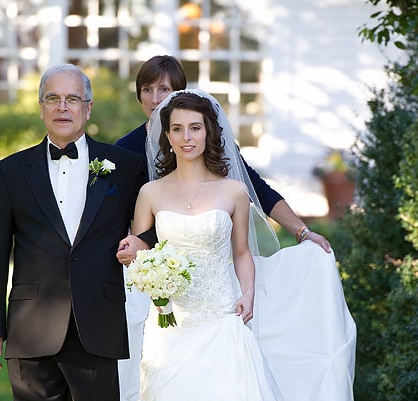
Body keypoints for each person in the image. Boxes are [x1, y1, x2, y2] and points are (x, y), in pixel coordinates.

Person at [97, 90, 356, 401]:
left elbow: (241, 253)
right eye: (176, 129)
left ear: (209, 132)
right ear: (166, 136)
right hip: (172, 324)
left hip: (222, 316)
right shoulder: (150, 192)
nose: (185, 137)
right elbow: (142, 243)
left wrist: (249, 293)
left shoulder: (234, 191)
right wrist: (131, 251)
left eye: (194, 128)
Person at [0, 64, 153, 401]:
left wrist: (143, 242)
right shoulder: (12, 172)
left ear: (87, 108)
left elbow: (150, 226)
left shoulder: (123, 166)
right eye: (52, 98)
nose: (62, 107)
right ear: (41, 108)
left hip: (97, 320)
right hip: (32, 325)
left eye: (72, 99)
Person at [114, 54, 332, 259]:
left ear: (178, 94)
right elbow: (116, 214)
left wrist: (302, 232)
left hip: (209, 257)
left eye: (163, 89)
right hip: (154, 266)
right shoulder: (125, 149)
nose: (154, 99)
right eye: (146, 89)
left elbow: (256, 188)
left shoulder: (209, 142)